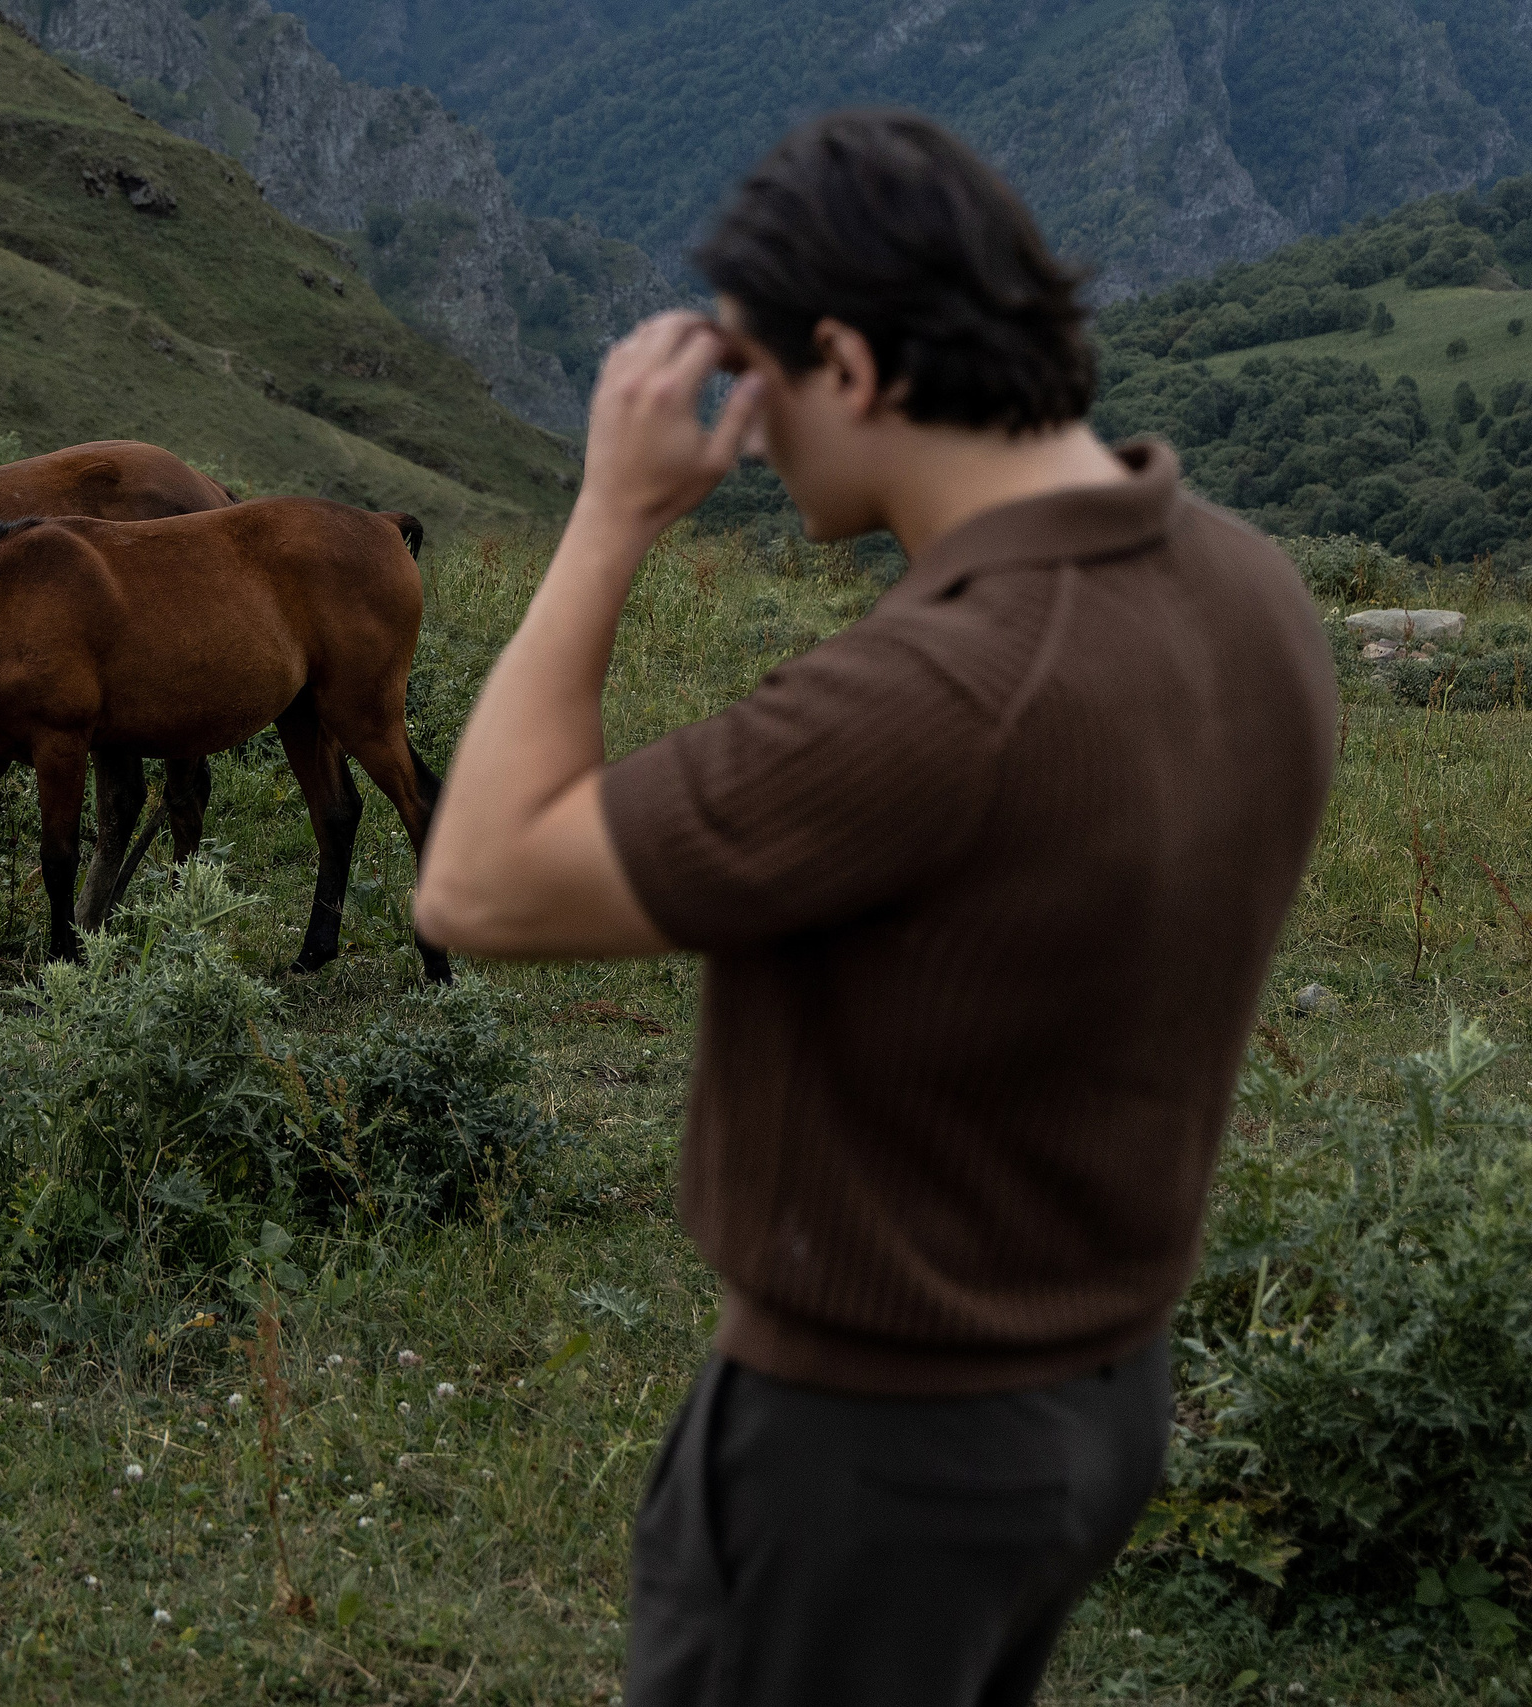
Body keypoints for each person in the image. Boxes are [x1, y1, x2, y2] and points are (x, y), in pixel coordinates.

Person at [412, 110, 1338, 1706]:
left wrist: (612, 516)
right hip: (1098, 1397)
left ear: (850, 363)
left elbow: (478, 881)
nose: (747, 432)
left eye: (758, 378)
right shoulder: (1249, 588)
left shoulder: (939, 696)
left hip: (873, 1450)